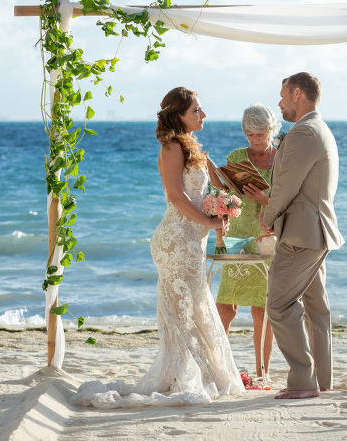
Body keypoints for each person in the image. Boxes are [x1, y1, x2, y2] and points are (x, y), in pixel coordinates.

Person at [71, 87, 245, 408]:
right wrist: (209, 222)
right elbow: (177, 198)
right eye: (196, 110)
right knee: (183, 311)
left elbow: (207, 193)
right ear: (178, 116)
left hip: (192, 239)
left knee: (196, 305)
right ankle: (186, 377)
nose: (203, 115)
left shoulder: (191, 148)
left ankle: (202, 374)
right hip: (175, 240)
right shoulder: (172, 147)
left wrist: (220, 210)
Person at [259, 72, 344, 400]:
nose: (279, 103)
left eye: (282, 96)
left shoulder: (303, 132)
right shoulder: (321, 130)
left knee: (279, 305)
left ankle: (303, 380)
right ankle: (322, 379)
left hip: (301, 234)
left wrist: (267, 219)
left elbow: (285, 188)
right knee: (315, 307)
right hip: (317, 233)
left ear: (297, 93)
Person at [215, 103, 280, 379]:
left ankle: (262, 371)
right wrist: (222, 189)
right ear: (245, 132)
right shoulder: (237, 157)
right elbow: (224, 196)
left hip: (267, 236)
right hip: (238, 235)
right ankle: (220, 370)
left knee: (261, 309)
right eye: (251, 134)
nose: (256, 140)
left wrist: (266, 199)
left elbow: (291, 198)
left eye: (262, 134)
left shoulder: (281, 159)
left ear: (272, 130)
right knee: (226, 306)